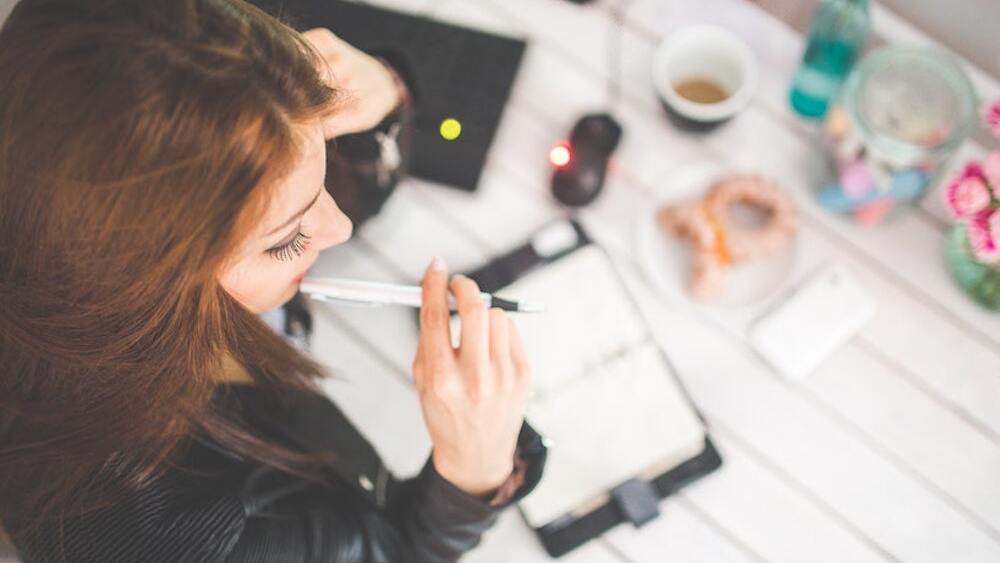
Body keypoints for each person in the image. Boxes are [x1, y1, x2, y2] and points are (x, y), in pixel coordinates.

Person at [0, 0, 545, 561]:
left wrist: (387, 91)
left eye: (322, 160)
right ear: (148, 283)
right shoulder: (157, 537)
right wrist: (471, 476)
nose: (339, 227)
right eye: (285, 239)